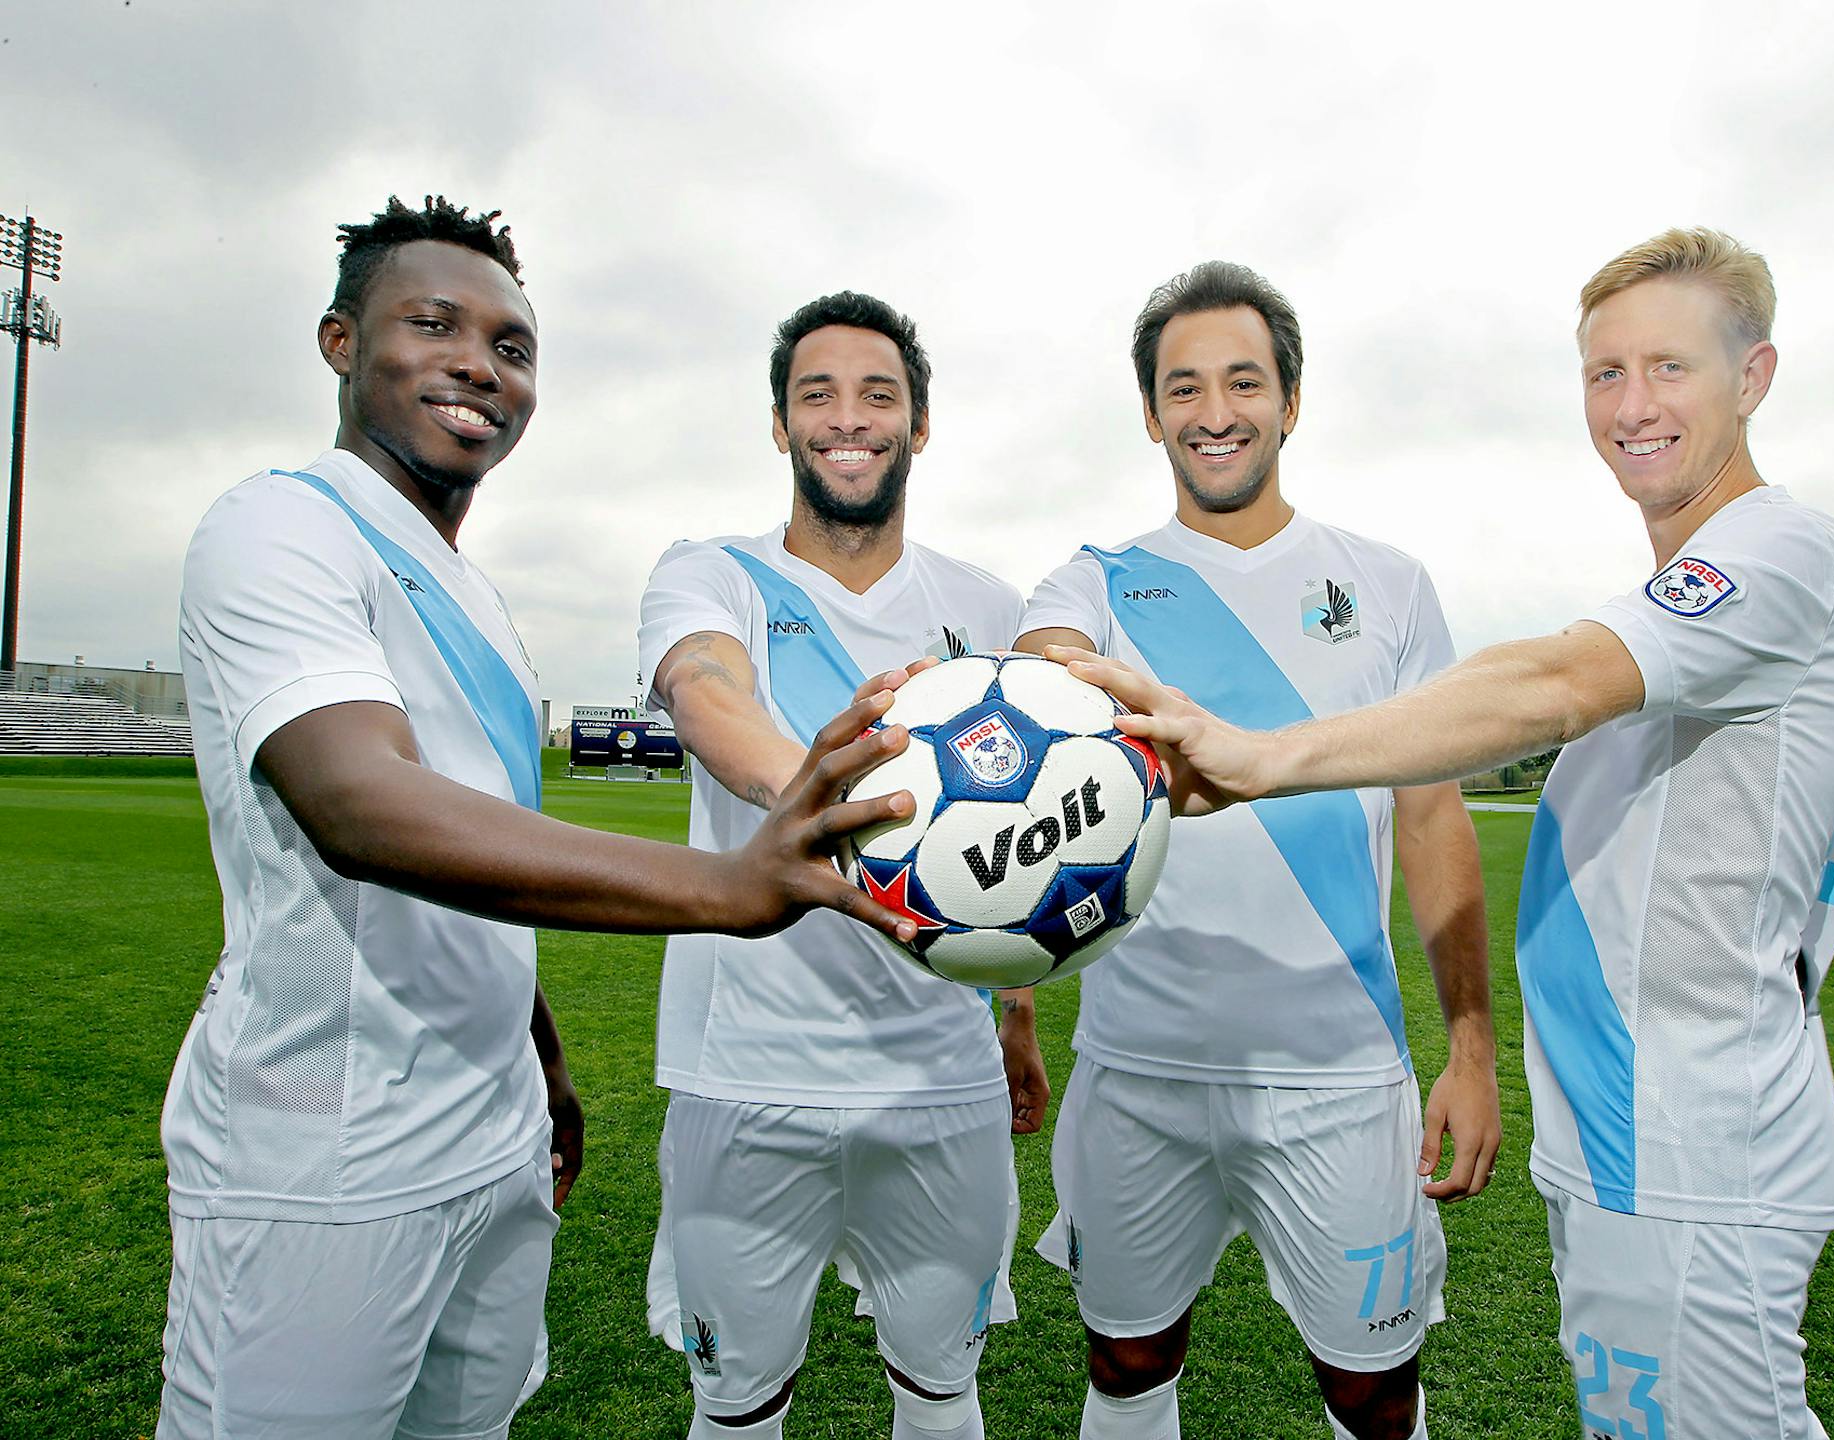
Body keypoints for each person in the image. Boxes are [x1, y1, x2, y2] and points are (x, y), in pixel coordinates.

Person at [1063, 229, 1834, 1440]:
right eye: (1605, 373)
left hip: (1695, 1135)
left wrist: (1270, 754)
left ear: (1753, 377)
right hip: (1628, 1128)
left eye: (1670, 367)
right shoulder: (1687, 583)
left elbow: (1548, 686)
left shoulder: (1783, 550)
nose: (1632, 403)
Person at [163, 197, 920, 1440]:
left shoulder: (479, 600)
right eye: (434, 324)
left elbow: (475, 847)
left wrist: (543, 1054)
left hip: (487, 1136)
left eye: (511, 348)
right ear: (341, 342)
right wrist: (727, 891)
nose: (478, 364)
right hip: (322, 1164)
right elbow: (361, 804)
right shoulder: (279, 524)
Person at [1016, 261, 1499, 1440]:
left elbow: (1432, 814)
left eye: (1244, 381)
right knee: (1128, 1361)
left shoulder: (1387, 586)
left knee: (1374, 1392)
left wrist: (1474, 1048)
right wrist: (1076, 691)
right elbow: (1043, 663)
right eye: (1185, 388)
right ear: (1151, 414)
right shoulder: (1098, 578)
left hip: (1337, 1070)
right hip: (1139, 1068)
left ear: (1291, 400)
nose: (1215, 411)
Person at [636, 291, 1045, 1440]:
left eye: (879, 396)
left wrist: (1017, 1012)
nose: (847, 419)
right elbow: (705, 689)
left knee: (941, 1384)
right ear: (780, 425)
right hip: (747, 1078)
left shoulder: (986, 607)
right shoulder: (709, 571)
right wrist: (816, 791)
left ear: (919, 426)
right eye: (817, 394)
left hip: (941, 1082)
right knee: (737, 1400)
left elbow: (1032, 828)